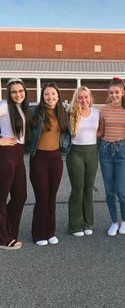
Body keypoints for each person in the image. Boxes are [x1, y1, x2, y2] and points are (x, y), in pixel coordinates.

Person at [29, 82, 70, 246]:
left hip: (56, 159)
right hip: (39, 158)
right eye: (47, 94)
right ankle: (38, 233)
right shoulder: (35, 112)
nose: (50, 97)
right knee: (42, 198)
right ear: (42, 96)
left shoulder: (63, 113)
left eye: (53, 94)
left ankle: (50, 231)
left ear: (58, 95)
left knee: (52, 197)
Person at [99, 77, 125, 236]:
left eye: (117, 92)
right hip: (105, 149)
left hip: (122, 150)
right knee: (109, 190)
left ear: (123, 92)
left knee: (122, 190)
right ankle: (114, 221)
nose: (114, 95)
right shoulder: (103, 110)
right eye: (111, 93)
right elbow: (100, 132)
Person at [0, 78, 31, 250]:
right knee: (1, 198)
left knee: (20, 196)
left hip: (18, 154)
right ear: (8, 93)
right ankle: (4, 238)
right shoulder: (4, 105)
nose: (18, 94)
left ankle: (8, 230)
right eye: (14, 92)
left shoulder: (21, 108)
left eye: (20, 91)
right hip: (6, 154)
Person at [66, 87, 100, 237]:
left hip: (92, 152)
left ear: (90, 98)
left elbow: (101, 132)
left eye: (86, 97)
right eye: (80, 97)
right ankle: (75, 225)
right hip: (75, 153)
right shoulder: (70, 113)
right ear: (76, 99)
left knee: (88, 189)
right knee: (77, 189)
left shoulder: (97, 113)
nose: (84, 100)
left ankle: (88, 223)